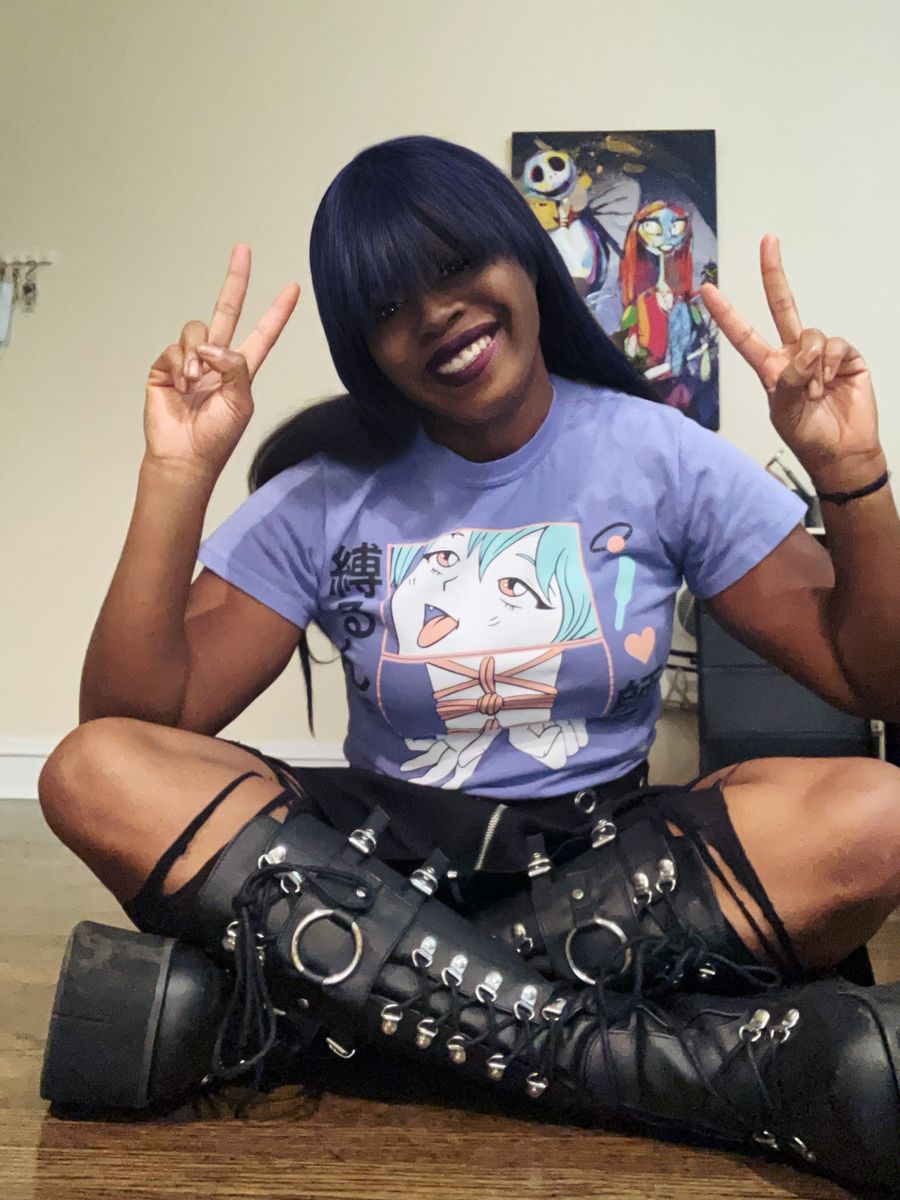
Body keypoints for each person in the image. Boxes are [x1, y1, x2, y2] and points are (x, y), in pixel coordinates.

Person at [37, 136, 900, 1193]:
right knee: (88, 771)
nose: (436, 314)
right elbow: (131, 726)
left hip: (611, 870)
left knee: (880, 813)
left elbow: (873, 680)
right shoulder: (327, 492)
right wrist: (177, 472)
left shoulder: (661, 455)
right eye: (388, 306)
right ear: (366, 346)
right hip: (369, 863)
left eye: (456, 267)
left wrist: (853, 472)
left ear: (522, 256)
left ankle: (316, 1017)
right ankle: (697, 1069)